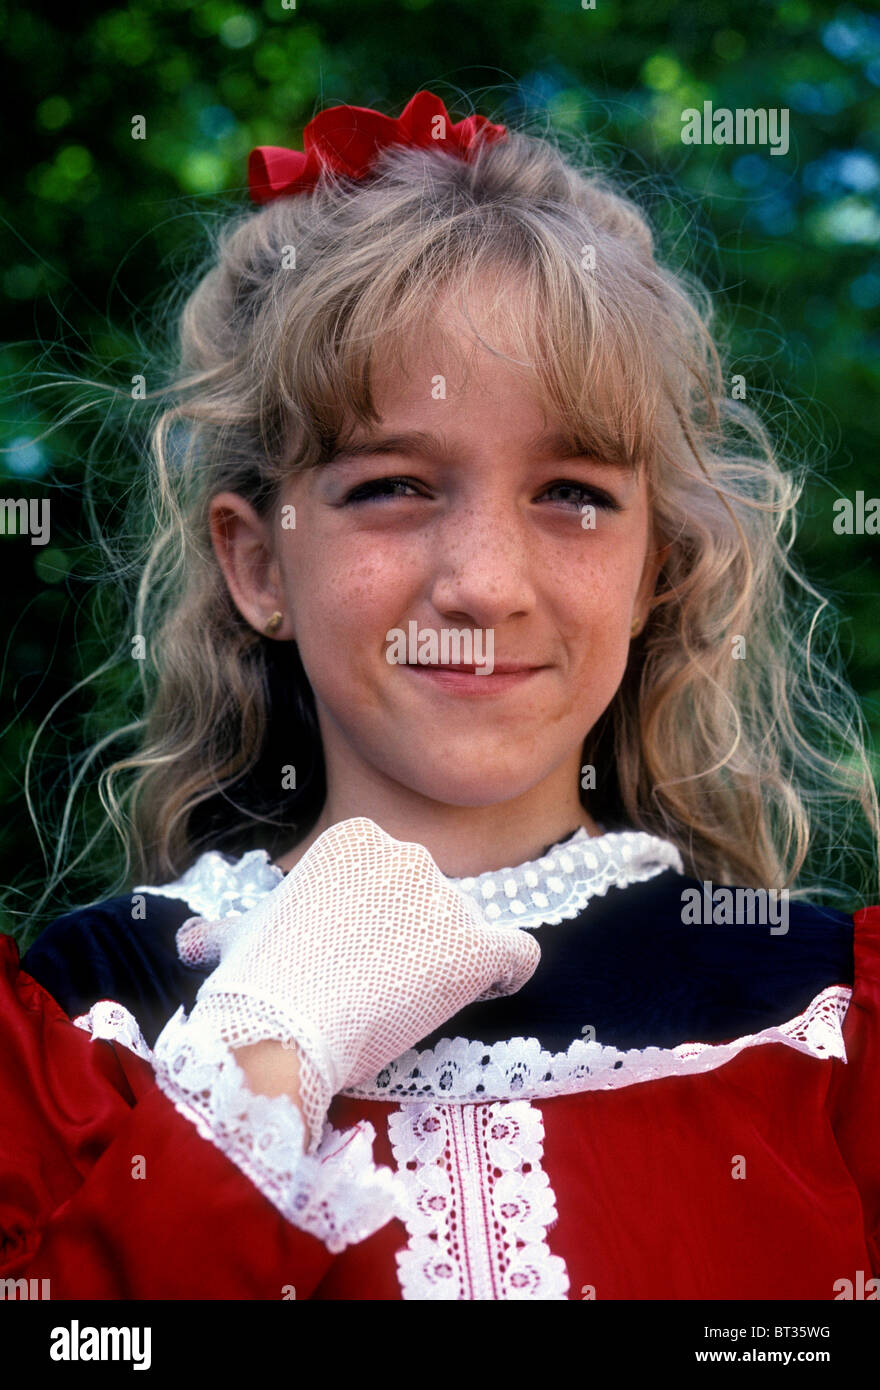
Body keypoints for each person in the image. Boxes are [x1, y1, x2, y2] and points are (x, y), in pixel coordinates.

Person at [3, 89, 879, 1302]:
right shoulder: (78, 1019)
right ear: (258, 563)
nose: (482, 582)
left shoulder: (828, 1024)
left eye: (572, 491)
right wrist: (265, 1057)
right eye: (394, 487)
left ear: (651, 575)